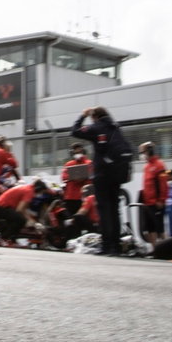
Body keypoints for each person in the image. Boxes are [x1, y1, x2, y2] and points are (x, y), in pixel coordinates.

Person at [70, 106, 133, 255]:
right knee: (115, 210)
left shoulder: (96, 127)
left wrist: (82, 116)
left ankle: (106, 246)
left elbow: (74, 131)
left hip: (102, 174)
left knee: (104, 210)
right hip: (117, 174)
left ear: (94, 117)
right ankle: (116, 246)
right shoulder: (116, 127)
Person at [0, 178, 50, 242]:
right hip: (1, 207)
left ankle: (10, 238)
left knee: (17, 218)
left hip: (0, 207)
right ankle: (3, 238)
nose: (40, 194)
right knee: (21, 220)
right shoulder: (29, 192)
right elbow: (20, 209)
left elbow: (22, 209)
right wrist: (32, 221)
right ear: (38, 189)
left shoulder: (27, 188)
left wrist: (32, 221)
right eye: (41, 192)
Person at [138, 141, 168, 246]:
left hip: (156, 203)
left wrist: (161, 200)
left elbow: (163, 184)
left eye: (142, 152)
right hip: (147, 203)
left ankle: (166, 248)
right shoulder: (146, 167)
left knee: (159, 228)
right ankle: (154, 249)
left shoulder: (160, 165)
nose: (141, 155)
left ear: (149, 151)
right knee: (149, 228)